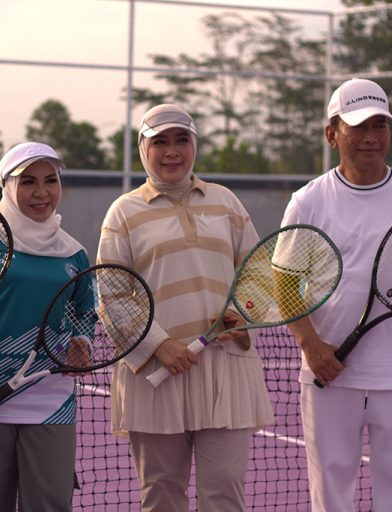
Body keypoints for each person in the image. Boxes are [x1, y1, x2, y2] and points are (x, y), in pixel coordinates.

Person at [280, 78, 392, 511]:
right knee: (331, 497)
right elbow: (285, 283)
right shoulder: (307, 202)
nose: (370, 137)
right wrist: (311, 346)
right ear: (332, 133)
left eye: (379, 125)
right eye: (358, 126)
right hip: (330, 377)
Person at [96, 104, 274, 511]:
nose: (172, 151)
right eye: (160, 142)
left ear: (194, 145)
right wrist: (159, 346)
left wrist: (243, 316)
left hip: (225, 368)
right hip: (156, 374)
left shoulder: (226, 202)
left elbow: (258, 272)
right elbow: (111, 295)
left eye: (181, 140)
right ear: (144, 148)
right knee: (161, 494)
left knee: (225, 492)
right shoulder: (122, 212)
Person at [0, 142, 90, 511]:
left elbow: (83, 313)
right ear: (7, 187)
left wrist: (81, 344)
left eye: (50, 180)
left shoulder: (74, 253)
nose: (42, 193)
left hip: (51, 401)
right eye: (28, 182)